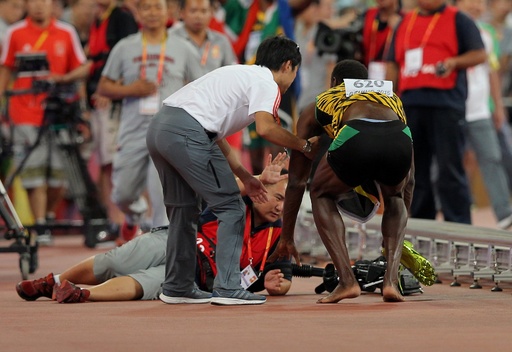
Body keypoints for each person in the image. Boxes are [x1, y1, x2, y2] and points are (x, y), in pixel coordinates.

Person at [146, 35, 320, 305]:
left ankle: (178, 286)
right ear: (288, 66)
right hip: (188, 132)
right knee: (231, 207)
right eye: (295, 73)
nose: (292, 80)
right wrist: (304, 145)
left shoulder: (241, 73)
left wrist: (247, 177)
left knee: (184, 209)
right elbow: (266, 128)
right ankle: (227, 288)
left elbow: (217, 137)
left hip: (161, 127)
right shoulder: (267, 82)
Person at [15, 154, 292, 303]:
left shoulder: (280, 234)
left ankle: (80, 294)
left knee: (142, 285)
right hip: (176, 241)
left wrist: (269, 286)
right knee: (116, 261)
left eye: (286, 202)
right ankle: (52, 280)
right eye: (277, 198)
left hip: (193, 277)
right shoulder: (236, 198)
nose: (280, 207)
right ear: (260, 190)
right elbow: (218, 187)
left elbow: (285, 278)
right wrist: (257, 177)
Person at [269, 59, 417, 303]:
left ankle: (347, 281)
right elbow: (409, 178)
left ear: (335, 83)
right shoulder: (392, 98)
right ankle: (391, 282)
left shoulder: (323, 100)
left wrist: (287, 236)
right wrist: (398, 239)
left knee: (319, 193)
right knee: (395, 197)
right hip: (399, 138)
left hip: (356, 135)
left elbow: (296, 180)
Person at [96, 0, 205, 243]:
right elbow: (104, 85)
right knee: (122, 194)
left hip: (169, 133)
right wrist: (131, 89)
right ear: (138, 12)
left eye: (158, 6)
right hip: (133, 130)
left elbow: (201, 87)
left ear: (169, 11)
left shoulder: (184, 48)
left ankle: (159, 254)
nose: (153, 12)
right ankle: (134, 217)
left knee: (161, 197)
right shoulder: (125, 47)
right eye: (147, 7)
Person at [385, 0, 486, 224]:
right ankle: (422, 222)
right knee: (414, 169)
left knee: (449, 167)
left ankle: (459, 224)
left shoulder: (458, 19)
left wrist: (453, 62)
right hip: (410, 104)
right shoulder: (404, 22)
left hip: (446, 104)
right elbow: (392, 63)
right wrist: (388, 98)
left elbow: (480, 54)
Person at [0, 0, 90, 243]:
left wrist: (64, 80)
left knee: (59, 175)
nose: (39, 6)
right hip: (24, 112)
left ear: (53, 5)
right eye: (34, 1)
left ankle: (47, 216)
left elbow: (83, 69)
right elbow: (6, 69)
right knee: (34, 172)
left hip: (59, 112)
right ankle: (40, 224)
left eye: (44, 1)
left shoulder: (66, 31)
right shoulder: (14, 33)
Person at [456, 0, 512, 229]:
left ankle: (504, 213)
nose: (475, 6)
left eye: (479, 2)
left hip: (480, 109)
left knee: (491, 158)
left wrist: (497, 106)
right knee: (453, 163)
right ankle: (454, 212)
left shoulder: (488, 32)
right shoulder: (450, 27)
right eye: (470, 1)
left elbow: (492, 72)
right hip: (454, 108)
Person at [86, 0, 139, 240]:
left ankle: (122, 220)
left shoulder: (122, 17)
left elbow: (128, 61)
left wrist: (110, 89)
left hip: (116, 102)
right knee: (106, 163)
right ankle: (112, 218)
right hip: (99, 101)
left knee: (116, 163)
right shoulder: (99, 19)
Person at [360, 0, 402, 80]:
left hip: (393, 77)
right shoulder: (368, 16)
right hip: (367, 77)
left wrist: (399, 28)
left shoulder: (405, 20)